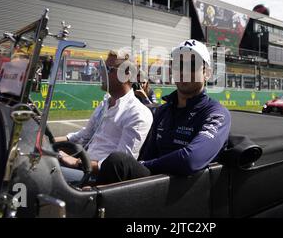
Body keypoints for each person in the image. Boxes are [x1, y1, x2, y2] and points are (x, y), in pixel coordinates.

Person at [93, 39, 231, 185]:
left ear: (207, 73)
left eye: (192, 65)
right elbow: (147, 155)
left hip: (188, 191)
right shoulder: (163, 111)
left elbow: (191, 159)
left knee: (117, 162)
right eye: (178, 65)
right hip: (155, 187)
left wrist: (144, 165)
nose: (183, 71)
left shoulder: (216, 113)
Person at [54, 50, 153, 184]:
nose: (101, 73)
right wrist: (48, 139)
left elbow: (118, 165)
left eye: (108, 69)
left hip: (99, 178)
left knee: (44, 172)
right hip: (84, 166)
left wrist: (77, 162)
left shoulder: (138, 113)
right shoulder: (105, 103)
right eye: (102, 68)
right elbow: (83, 135)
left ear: (126, 75)